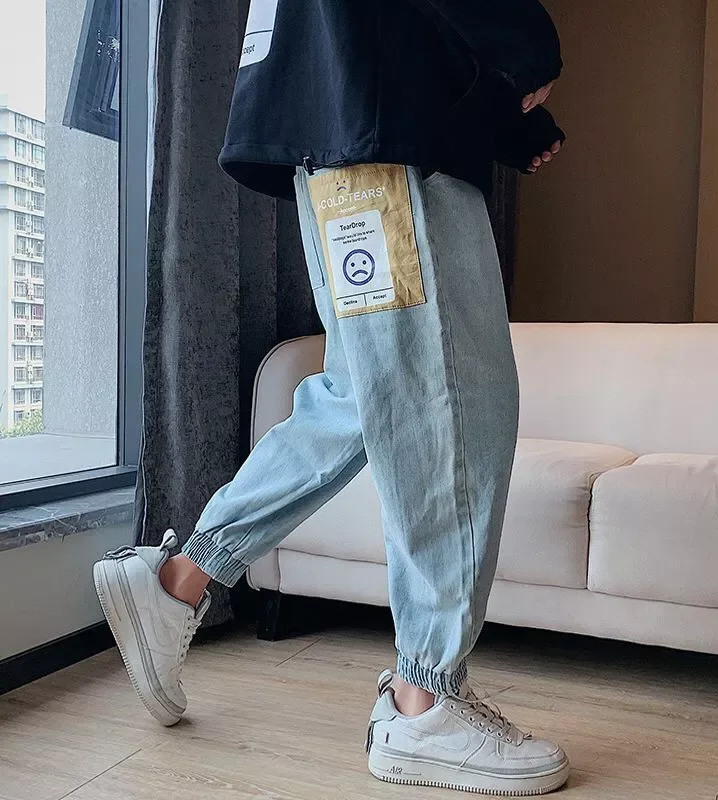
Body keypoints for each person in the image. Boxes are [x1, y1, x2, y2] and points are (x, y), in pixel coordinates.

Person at [94, 0, 570, 795]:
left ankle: (181, 578)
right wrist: (524, 39)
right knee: (452, 406)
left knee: (364, 396)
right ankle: (425, 703)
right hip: (391, 144)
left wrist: (501, 113)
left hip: (352, 134)